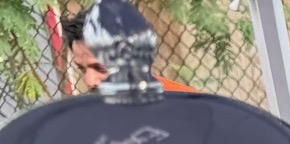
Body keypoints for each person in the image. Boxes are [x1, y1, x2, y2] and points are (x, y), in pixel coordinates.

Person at [59, 10, 196, 92]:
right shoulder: (85, 119)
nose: (89, 81)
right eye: (82, 69)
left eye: (101, 68)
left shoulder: (192, 110)